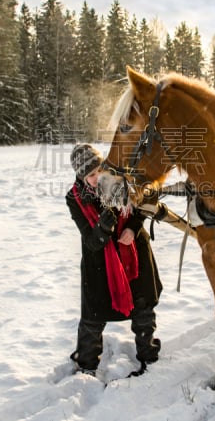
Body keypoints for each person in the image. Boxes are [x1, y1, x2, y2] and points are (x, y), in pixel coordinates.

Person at [66, 143, 163, 377]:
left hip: (133, 254)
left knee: (143, 310)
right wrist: (104, 225)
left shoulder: (122, 179)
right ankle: (86, 363)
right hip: (100, 262)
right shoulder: (75, 199)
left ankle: (148, 354)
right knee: (93, 317)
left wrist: (132, 228)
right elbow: (91, 240)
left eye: (100, 169)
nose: (98, 176)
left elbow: (146, 200)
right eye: (91, 174)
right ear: (81, 176)